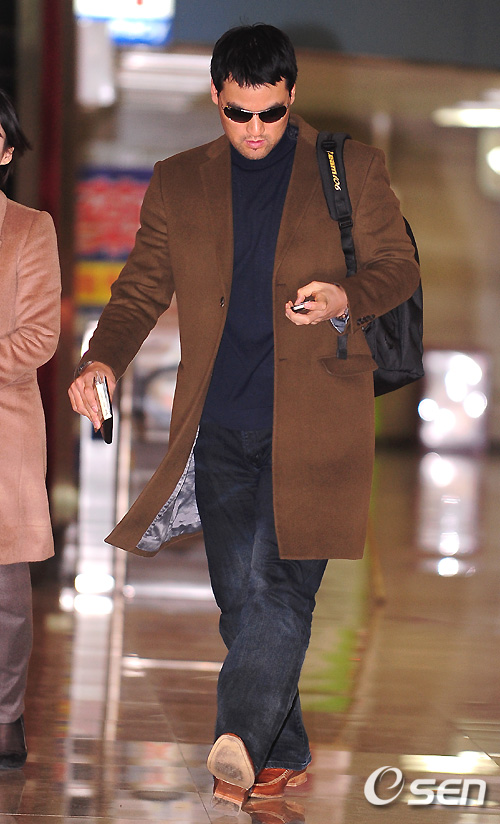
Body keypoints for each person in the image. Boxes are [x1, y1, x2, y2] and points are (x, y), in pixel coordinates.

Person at [68, 24, 419, 814]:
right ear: (217, 98)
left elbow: (396, 267)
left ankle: (237, 740)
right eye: (238, 114)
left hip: (318, 423)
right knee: (240, 598)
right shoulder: (179, 181)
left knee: (280, 591)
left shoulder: (350, 169)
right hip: (220, 425)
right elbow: (140, 288)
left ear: (291, 96)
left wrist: (345, 296)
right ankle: (282, 748)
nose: (255, 130)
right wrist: (102, 360)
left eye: (270, 113)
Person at [0, 90, 61, 769]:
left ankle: (4, 716)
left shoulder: (27, 229)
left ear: (6, 151)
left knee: (4, 593)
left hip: (4, 427)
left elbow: (40, 335)